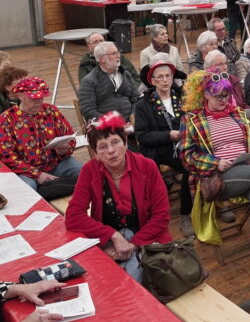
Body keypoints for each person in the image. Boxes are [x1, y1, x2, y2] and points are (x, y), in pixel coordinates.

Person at [178, 70, 250, 279]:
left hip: (247, 170)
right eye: (218, 96)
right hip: (217, 179)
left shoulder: (238, 113)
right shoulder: (192, 120)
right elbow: (186, 157)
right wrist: (216, 162)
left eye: (227, 95)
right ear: (205, 95)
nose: (224, 100)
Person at [66, 112, 172, 280]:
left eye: (115, 142)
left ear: (126, 143)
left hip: (146, 236)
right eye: (102, 147)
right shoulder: (89, 171)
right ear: (95, 153)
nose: (111, 151)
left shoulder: (147, 167)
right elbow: (73, 216)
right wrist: (113, 237)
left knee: (132, 278)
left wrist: (133, 244)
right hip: (108, 242)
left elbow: (161, 215)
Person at [135, 60, 192, 236]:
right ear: (152, 81)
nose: (165, 80)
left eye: (168, 76)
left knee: (200, 160)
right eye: (160, 77)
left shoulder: (181, 97)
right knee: (189, 166)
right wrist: (168, 135)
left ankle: (215, 201)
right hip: (159, 148)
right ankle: (186, 214)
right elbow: (142, 136)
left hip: (183, 143)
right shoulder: (143, 104)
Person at [0, 77, 81, 190]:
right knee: (27, 189)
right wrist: (37, 174)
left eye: (42, 98)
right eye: (34, 99)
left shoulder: (52, 111)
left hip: (56, 164)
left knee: (83, 171)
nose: (39, 102)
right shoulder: (6, 119)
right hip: (25, 171)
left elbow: (69, 137)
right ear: (20, 96)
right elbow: (8, 156)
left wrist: (65, 150)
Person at [78, 41, 140, 122]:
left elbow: (137, 100)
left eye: (118, 52)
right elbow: (88, 110)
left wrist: (133, 119)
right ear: (102, 59)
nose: (118, 56)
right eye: (114, 53)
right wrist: (111, 123)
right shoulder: (89, 81)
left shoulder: (126, 75)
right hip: (105, 129)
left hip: (131, 125)